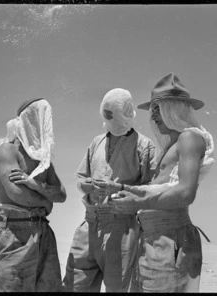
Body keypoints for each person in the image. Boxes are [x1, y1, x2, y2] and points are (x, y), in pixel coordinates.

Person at [109, 73, 215, 292]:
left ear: (174, 108)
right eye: (153, 110)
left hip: (171, 240)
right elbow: (162, 188)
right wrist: (120, 189)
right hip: (152, 240)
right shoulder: (172, 146)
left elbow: (185, 193)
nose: (153, 116)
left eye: (159, 108)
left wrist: (136, 204)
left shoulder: (189, 138)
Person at [62, 88, 156, 292]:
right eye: (106, 113)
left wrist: (120, 188)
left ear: (127, 113)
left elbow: (151, 190)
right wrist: (84, 184)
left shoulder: (144, 145)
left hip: (121, 225)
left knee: (116, 287)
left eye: (113, 113)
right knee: (73, 285)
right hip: (89, 222)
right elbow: (80, 177)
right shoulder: (97, 141)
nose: (108, 118)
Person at [0, 98, 67, 292]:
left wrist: (34, 184)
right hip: (13, 234)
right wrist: (47, 203)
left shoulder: (43, 161)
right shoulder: (6, 151)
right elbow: (19, 196)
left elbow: (61, 194)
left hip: (42, 233)